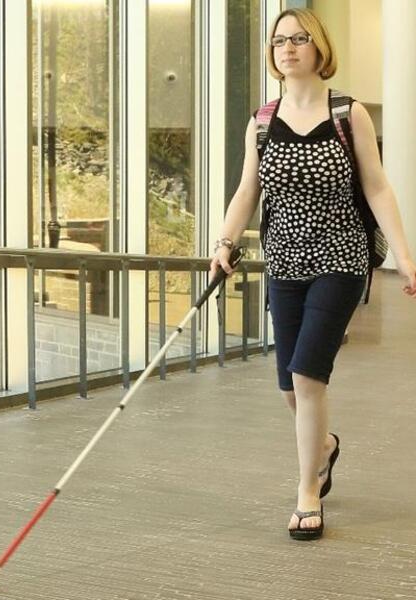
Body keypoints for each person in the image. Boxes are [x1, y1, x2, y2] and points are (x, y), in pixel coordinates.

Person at [209, 8, 416, 540]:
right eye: (280, 40)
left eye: (300, 39)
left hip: (340, 257)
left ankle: (307, 492)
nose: (289, 47)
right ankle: (324, 446)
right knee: (290, 388)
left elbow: (377, 186)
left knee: (307, 376)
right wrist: (224, 242)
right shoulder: (261, 120)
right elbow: (247, 190)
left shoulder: (348, 113)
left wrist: (404, 255)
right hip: (284, 261)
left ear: (319, 48)